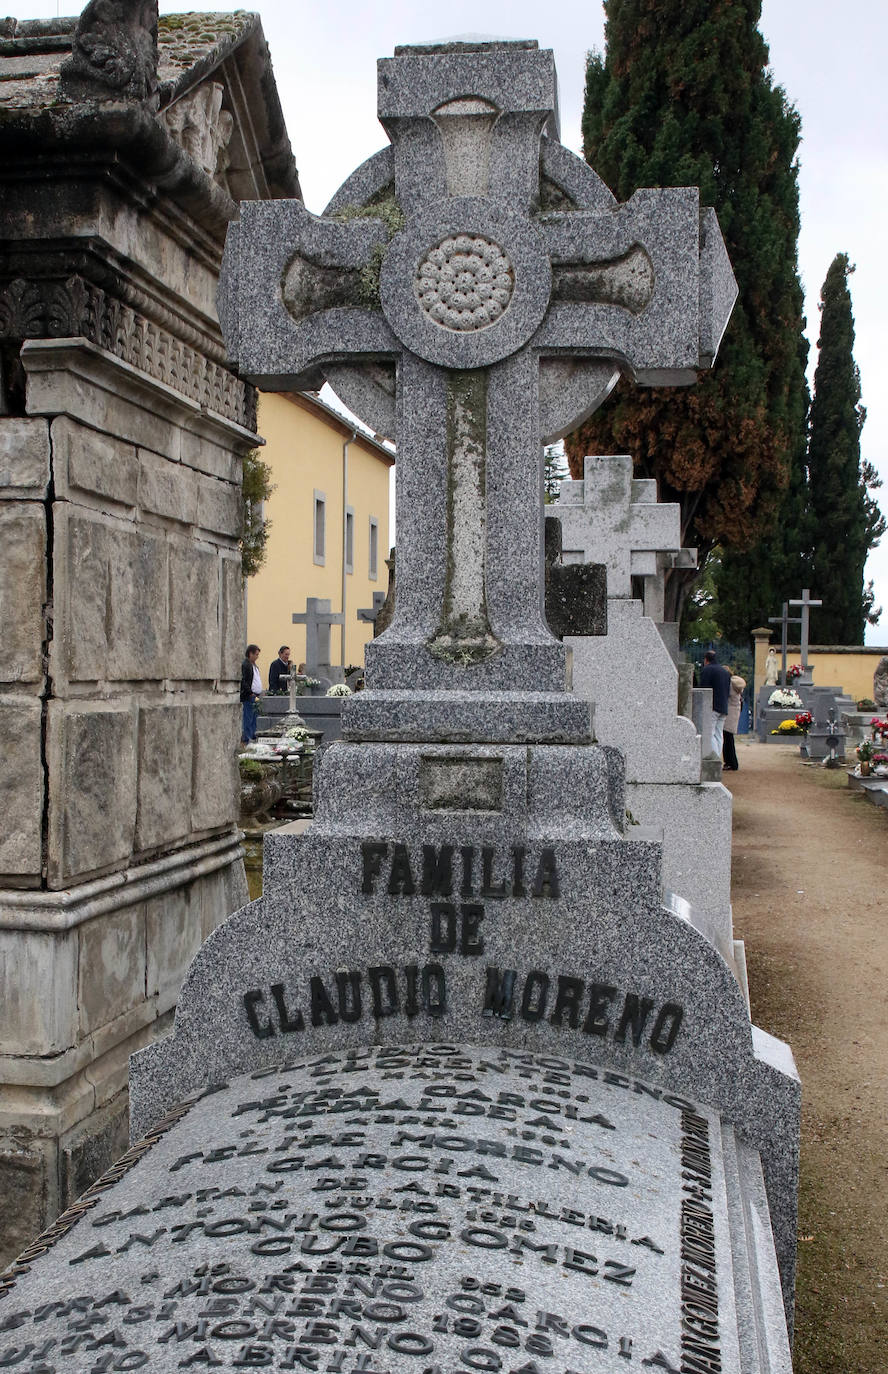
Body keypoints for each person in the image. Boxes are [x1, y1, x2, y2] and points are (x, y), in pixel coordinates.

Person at [700, 649, 731, 757]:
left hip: (712, 706)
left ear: (706, 660)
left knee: (710, 733)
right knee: (719, 734)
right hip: (723, 706)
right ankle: (718, 757)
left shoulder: (707, 670)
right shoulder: (725, 672)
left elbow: (703, 689)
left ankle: (714, 757)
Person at [723, 669, 746, 771]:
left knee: (727, 739)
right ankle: (732, 762)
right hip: (734, 711)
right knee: (729, 738)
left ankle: (730, 762)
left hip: (729, 711)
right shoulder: (736, 685)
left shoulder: (729, 685)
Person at [240, 644, 261, 744]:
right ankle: (247, 738)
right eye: (256, 654)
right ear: (250, 654)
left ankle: (252, 736)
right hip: (249, 695)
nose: (257, 656)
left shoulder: (254, 665)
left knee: (254, 717)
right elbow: (244, 681)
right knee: (248, 718)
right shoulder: (246, 664)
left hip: (256, 695)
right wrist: (250, 692)